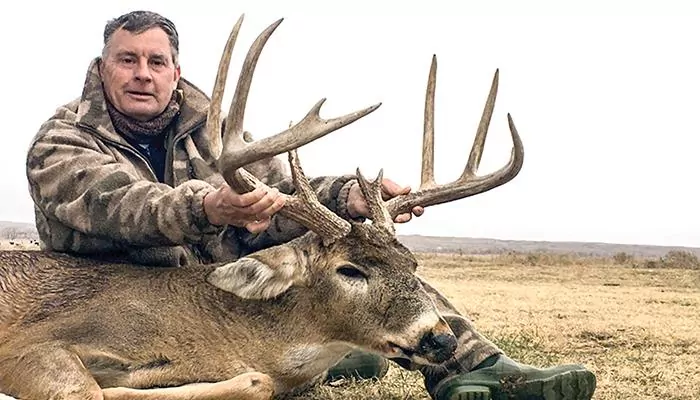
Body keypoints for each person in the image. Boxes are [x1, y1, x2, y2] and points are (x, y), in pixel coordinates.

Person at [25, 10, 596, 400]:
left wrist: (349, 199)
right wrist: (208, 207)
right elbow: (113, 204)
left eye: (156, 62)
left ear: (176, 71)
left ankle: (478, 368)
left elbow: (282, 190)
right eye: (127, 60)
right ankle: (328, 352)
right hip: (113, 293)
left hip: (213, 289)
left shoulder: (213, 135)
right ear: (102, 67)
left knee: (364, 253)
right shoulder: (62, 140)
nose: (142, 74)